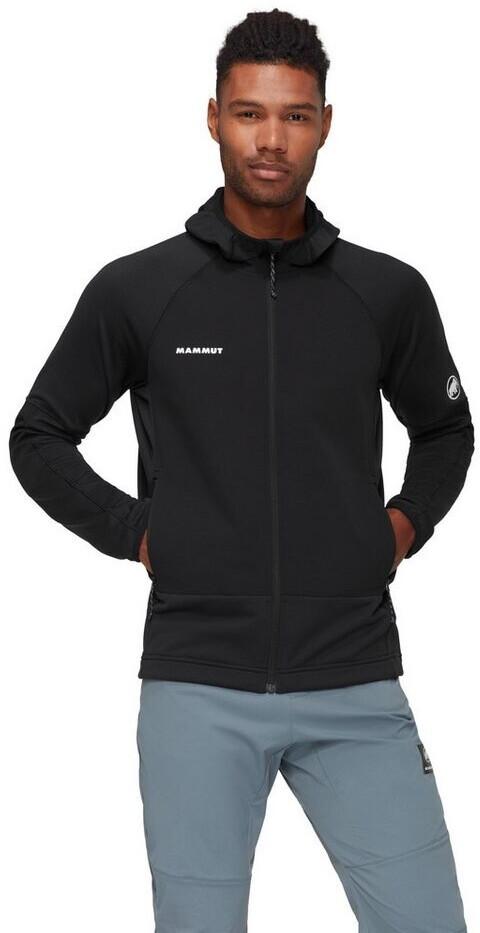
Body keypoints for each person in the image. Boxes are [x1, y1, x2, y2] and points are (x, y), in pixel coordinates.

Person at [9, 8, 474, 932]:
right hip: (197, 685)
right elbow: (40, 435)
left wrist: (399, 526)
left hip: (353, 677)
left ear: (325, 125)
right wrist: (142, 534)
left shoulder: (385, 291)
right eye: (251, 113)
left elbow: (447, 429)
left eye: (294, 116)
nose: (271, 140)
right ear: (214, 117)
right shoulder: (140, 289)